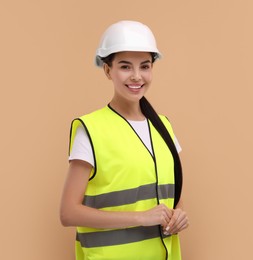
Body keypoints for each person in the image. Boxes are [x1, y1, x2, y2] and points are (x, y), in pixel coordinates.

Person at [60, 20, 189, 260]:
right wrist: (140, 217)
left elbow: (174, 198)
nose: (137, 76)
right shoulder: (91, 130)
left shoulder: (164, 127)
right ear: (108, 70)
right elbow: (68, 213)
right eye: (125, 67)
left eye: (145, 66)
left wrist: (179, 215)